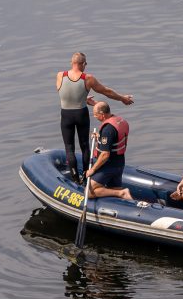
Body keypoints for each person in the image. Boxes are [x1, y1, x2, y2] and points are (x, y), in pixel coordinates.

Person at [56, 52, 134, 183]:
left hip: (66, 115)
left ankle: (75, 179)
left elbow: (66, 94)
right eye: (85, 64)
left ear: (71, 63)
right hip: (81, 114)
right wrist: (122, 98)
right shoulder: (88, 78)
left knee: (69, 148)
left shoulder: (60, 75)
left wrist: (82, 98)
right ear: (82, 64)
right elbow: (106, 91)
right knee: (85, 146)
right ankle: (86, 177)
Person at [86, 102, 133, 200]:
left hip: (108, 166)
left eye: (95, 114)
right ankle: (122, 197)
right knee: (113, 193)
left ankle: (122, 193)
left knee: (88, 192)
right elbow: (114, 139)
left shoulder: (108, 129)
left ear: (102, 114)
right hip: (119, 163)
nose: (94, 116)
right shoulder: (120, 121)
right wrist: (99, 136)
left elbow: (105, 154)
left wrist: (93, 169)